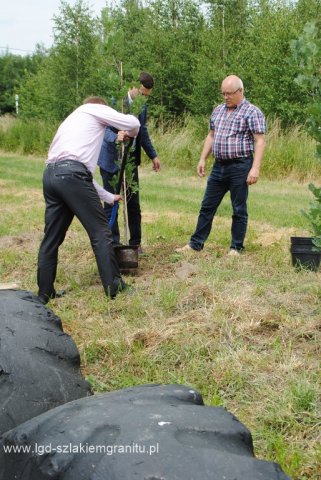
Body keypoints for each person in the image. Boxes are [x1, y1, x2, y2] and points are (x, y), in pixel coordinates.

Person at [37, 96, 140, 304]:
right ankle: (114, 287)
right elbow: (133, 123)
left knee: (51, 239)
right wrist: (131, 134)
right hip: (72, 177)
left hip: (51, 176)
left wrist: (109, 197)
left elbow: (78, 174)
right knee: (101, 233)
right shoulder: (94, 109)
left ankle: (44, 293)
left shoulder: (71, 120)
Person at [176, 75, 266, 255]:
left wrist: (255, 168)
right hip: (219, 166)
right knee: (207, 206)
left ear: (240, 91)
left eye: (229, 93)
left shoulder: (252, 112)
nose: (226, 97)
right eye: (223, 93)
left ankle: (236, 247)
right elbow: (211, 136)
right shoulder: (218, 110)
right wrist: (203, 158)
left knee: (238, 208)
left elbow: (260, 141)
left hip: (240, 166)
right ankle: (195, 244)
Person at [98, 72, 160, 251]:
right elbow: (103, 128)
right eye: (142, 94)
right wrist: (116, 136)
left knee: (133, 203)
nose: (144, 99)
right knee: (111, 201)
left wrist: (152, 155)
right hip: (111, 160)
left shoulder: (142, 105)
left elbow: (142, 130)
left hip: (130, 161)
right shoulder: (114, 101)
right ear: (132, 87)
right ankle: (113, 243)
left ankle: (135, 243)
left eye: (146, 96)